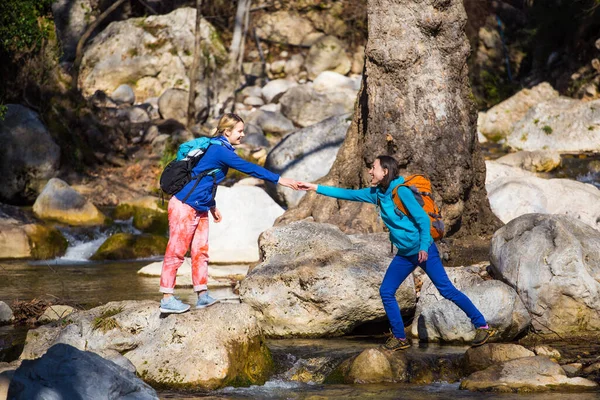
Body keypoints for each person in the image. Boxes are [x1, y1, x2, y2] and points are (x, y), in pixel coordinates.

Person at [298, 155, 495, 349]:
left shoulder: (402, 193)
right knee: (386, 291)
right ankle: (400, 338)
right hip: (405, 254)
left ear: (385, 171)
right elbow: (347, 194)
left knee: (446, 290)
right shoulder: (377, 194)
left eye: (373, 167)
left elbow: (423, 221)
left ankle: (483, 326)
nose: (369, 171)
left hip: (423, 250)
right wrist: (314, 187)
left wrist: (424, 247)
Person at [159, 113, 299, 314]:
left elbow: (207, 179)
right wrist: (280, 180)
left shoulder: (220, 149)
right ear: (227, 132)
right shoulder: (219, 150)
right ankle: (167, 298)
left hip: (199, 205)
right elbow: (248, 168)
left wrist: (212, 205)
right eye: (239, 131)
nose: (243, 135)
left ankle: (202, 295)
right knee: (176, 251)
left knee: (201, 252)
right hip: (184, 205)